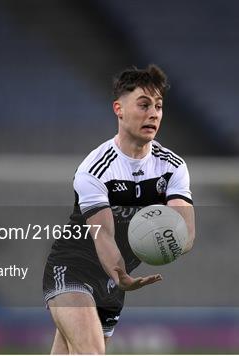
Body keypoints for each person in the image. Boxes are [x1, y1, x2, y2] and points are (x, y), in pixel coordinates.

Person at [42, 64, 196, 354]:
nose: (153, 113)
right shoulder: (96, 169)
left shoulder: (172, 167)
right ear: (119, 109)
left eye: (159, 106)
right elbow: (104, 237)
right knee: (91, 352)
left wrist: (170, 236)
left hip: (113, 285)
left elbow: (185, 232)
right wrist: (119, 272)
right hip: (73, 268)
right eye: (144, 104)